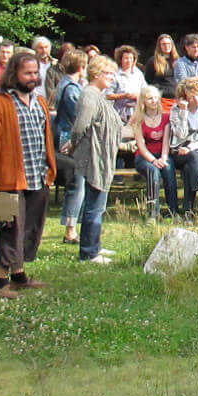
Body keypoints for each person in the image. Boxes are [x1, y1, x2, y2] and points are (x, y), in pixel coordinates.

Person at [0, 51, 58, 298]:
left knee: (30, 227)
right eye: (28, 73)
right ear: (14, 74)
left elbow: (45, 139)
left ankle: (19, 275)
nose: (33, 77)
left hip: (37, 174)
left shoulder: (40, 101)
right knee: (10, 227)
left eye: (36, 73)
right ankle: (0, 283)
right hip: (9, 176)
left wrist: (50, 168)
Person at [70, 56, 122, 263]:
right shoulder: (90, 94)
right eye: (108, 73)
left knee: (97, 205)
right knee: (94, 205)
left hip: (103, 155)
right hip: (95, 156)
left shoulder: (100, 94)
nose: (111, 77)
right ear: (96, 74)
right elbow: (81, 124)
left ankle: (95, 246)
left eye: (112, 73)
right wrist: (73, 144)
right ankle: (88, 252)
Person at [52, 48, 88, 244]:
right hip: (70, 139)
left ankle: (73, 227)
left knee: (77, 183)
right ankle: (71, 229)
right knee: (77, 184)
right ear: (81, 66)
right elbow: (79, 118)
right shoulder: (72, 89)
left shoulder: (63, 84)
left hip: (64, 135)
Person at [131, 85, 178, 220]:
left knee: (168, 168)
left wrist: (163, 158)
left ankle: (173, 210)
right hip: (144, 157)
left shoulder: (165, 118)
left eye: (156, 98)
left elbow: (166, 142)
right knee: (153, 171)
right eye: (150, 98)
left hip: (162, 154)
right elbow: (141, 145)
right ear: (143, 101)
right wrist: (153, 160)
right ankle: (153, 212)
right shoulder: (138, 120)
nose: (153, 101)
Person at [169, 77, 198, 217]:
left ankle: (187, 210)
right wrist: (183, 112)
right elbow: (180, 135)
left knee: (190, 165)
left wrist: (191, 148)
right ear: (184, 98)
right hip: (179, 151)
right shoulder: (176, 110)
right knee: (192, 158)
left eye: (197, 95)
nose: (196, 99)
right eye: (191, 97)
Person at [107, 44, 145, 123]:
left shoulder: (138, 74)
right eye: (126, 58)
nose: (129, 61)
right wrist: (125, 95)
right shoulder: (115, 74)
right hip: (120, 114)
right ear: (120, 59)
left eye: (131, 58)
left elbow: (145, 90)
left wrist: (139, 95)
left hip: (137, 112)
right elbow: (108, 95)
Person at [144, 34, 179, 112]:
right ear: (159, 46)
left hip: (177, 100)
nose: (166, 46)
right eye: (163, 44)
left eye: (168, 44)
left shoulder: (178, 61)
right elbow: (148, 80)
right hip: (162, 100)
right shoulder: (153, 61)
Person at [30, 36, 57, 101]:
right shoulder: (31, 64)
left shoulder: (56, 64)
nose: (44, 50)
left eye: (46, 47)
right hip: (35, 99)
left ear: (50, 48)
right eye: (41, 48)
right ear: (35, 49)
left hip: (52, 101)